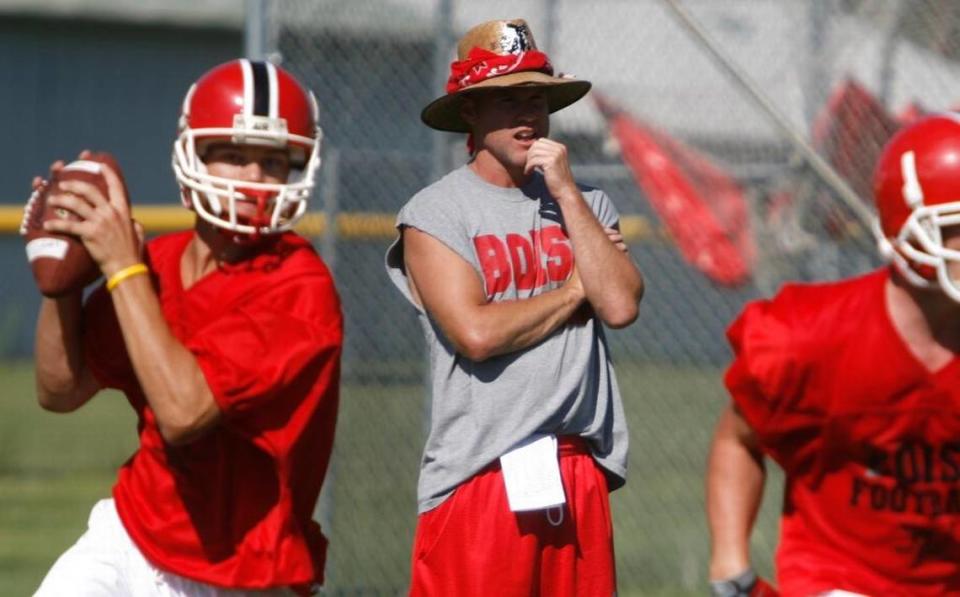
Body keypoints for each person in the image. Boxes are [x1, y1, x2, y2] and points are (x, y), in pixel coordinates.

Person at [27, 59, 342, 596]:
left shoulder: (299, 286)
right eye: (235, 157)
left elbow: (182, 412)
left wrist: (121, 268)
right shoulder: (159, 264)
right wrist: (62, 282)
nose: (254, 180)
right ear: (192, 154)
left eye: (271, 163)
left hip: (240, 571)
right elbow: (60, 390)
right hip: (132, 531)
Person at [385, 18, 644, 597]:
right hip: (483, 474)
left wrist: (567, 192)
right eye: (506, 98)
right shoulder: (434, 214)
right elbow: (476, 332)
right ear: (470, 113)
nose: (527, 112)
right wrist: (578, 290)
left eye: (536, 97)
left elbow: (621, 303)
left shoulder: (585, 203)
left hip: (576, 469)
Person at [706, 112, 960, 596]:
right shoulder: (811, 336)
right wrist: (731, 565)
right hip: (840, 581)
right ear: (908, 232)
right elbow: (738, 439)